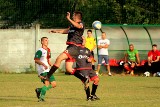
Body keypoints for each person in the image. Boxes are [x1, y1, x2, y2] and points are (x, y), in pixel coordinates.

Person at [46, 11, 88, 84]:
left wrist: (68, 19)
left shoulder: (81, 23)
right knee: (69, 69)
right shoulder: (72, 25)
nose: (72, 17)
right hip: (71, 47)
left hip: (75, 47)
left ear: (77, 17)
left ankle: (47, 76)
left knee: (59, 58)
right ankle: (84, 79)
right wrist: (55, 31)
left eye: (73, 16)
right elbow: (66, 31)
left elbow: (78, 26)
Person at [34, 37, 56, 102]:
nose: (47, 42)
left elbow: (48, 60)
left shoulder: (48, 50)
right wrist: (43, 64)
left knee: (54, 84)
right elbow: (36, 60)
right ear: (42, 42)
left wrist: (53, 66)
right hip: (42, 70)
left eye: (47, 40)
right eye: (45, 40)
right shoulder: (40, 51)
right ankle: (41, 98)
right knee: (46, 84)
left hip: (48, 70)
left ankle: (39, 90)